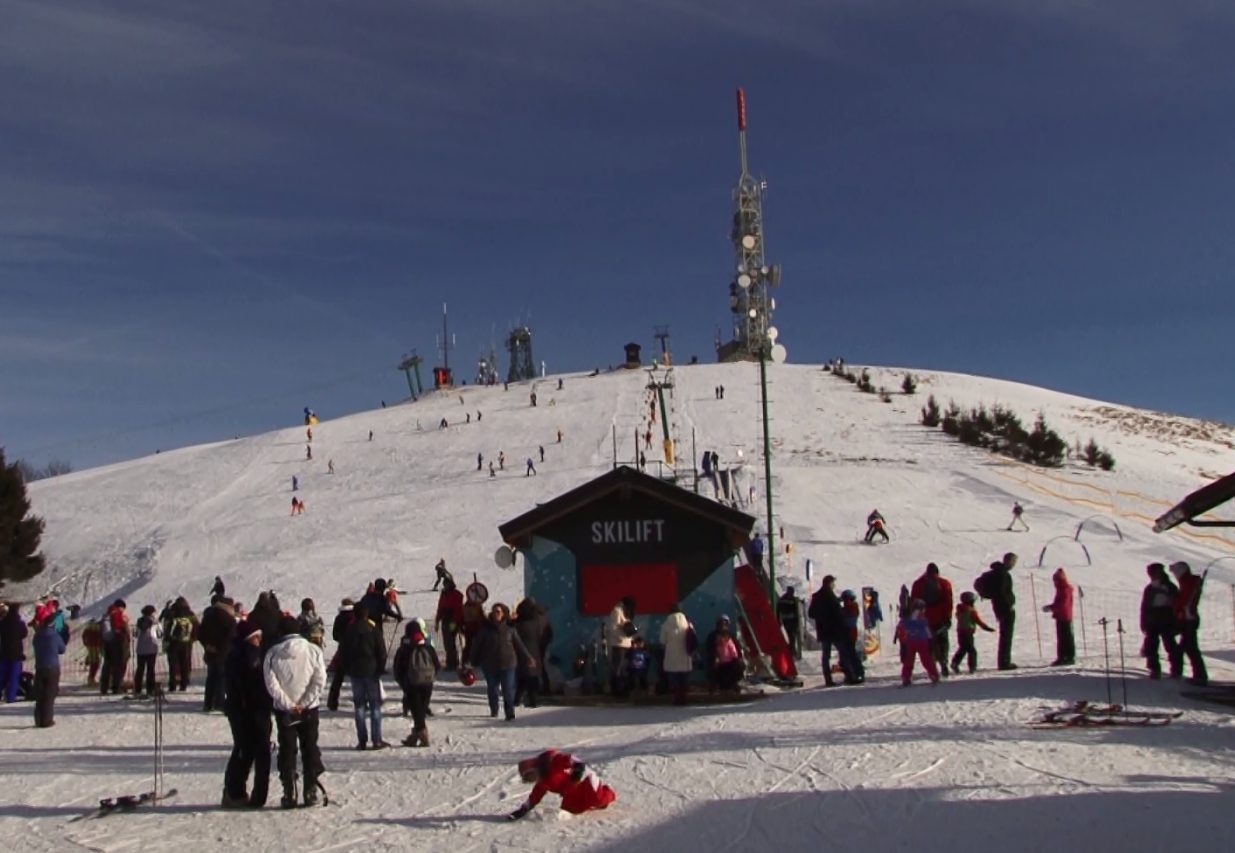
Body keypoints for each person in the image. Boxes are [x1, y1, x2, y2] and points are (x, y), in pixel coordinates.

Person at [263, 616, 327, 808]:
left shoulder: (273, 652)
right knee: (310, 747)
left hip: (284, 710)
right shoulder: (313, 650)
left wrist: (288, 704)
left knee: (287, 749)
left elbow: (271, 683)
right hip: (309, 708)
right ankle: (310, 790)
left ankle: (289, 791)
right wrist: (305, 702)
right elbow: (319, 680)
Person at [223, 619, 273, 808]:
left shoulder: (248, 653)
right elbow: (244, 683)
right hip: (245, 710)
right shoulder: (243, 655)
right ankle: (234, 791)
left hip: (249, 709)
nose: (259, 640)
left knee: (247, 750)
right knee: (244, 750)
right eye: (256, 637)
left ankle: (236, 790)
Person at [469, 602, 533, 721]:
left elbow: (519, 645)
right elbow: (476, 646)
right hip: (490, 665)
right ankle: (494, 709)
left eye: (498, 611)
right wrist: (472, 661)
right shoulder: (485, 630)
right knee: (493, 689)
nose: (495, 614)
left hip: (508, 664)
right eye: (494, 611)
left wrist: (528, 657)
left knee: (508, 690)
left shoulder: (510, 629)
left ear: (503, 614)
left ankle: (510, 713)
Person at [509, 750, 616, 820]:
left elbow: (568, 759)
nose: (532, 780)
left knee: (595, 799)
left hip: (584, 778)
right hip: (572, 789)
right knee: (571, 808)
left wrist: (577, 767)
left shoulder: (552, 763)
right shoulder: (542, 781)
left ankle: (608, 792)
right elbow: (535, 796)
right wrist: (523, 809)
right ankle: (593, 801)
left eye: (531, 775)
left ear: (534, 768)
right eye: (529, 779)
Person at [340, 603, 388, 749]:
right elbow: (381, 651)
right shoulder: (373, 629)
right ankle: (376, 739)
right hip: (372, 671)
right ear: (366, 614)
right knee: (375, 706)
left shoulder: (349, 631)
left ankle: (362, 740)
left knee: (359, 706)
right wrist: (380, 668)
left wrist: (347, 669)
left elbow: (343, 653)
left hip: (356, 672)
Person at [808, 576, 861, 686]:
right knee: (844, 653)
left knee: (826, 656)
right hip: (834, 630)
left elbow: (811, 613)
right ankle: (850, 676)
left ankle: (828, 680)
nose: (834, 585)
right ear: (829, 583)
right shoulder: (831, 597)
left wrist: (821, 618)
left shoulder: (817, 597)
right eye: (833, 583)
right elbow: (838, 614)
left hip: (823, 631)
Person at [910, 563, 954, 679]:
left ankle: (932, 665)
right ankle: (943, 660)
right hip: (940, 617)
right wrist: (948, 617)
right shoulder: (945, 583)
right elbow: (948, 602)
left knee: (928, 643)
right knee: (942, 640)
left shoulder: (918, 584)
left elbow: (914, 602)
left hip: (924, 619)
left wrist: (915, 619)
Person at [399, 624, 440, 747]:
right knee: (420, 711)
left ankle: (423, 736)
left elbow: (399, 669)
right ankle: (414, 737)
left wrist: (403, 683)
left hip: (412, 683)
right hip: (428, 682)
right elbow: (437, 665)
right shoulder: (429, 648)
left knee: (417, 712)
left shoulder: (405, 649)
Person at [1170, 561, 1208, 686]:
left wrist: (1178, 609)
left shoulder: (1188, 583)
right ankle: (1192, 674)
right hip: (1188, 618)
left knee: (1190, 648)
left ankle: (1200, 676)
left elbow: (1184, 600)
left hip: (1188, 619)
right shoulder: (1188, 582)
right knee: (1186, 647)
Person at [1139, 563, 1179, 680]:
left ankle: (1176, 669)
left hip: (1166, 619)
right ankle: (1154, 669)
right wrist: (1144, 622)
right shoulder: (1149, 588)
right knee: (1152, 644)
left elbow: (1176, 604)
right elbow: (1144, 607)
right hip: (1152, 619)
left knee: (1170, 645)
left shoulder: (1169, 587)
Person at [198, 595, 238, 709]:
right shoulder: (229, 619)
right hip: (224, 653)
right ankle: (219, 703)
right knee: (222, 677)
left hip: (210, 651)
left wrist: (207, 646)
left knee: (211, 677)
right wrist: (222, 649)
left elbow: (200, 634)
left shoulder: (208, 617)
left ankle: (208, 703)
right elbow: (231, 637)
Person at [513, 598, 549, 708]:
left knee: (523, 677)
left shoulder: (519, 622)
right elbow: (546, 634)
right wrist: (542, 646)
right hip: (536, 650)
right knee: (533, 677)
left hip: (522, 651)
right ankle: (533, 699)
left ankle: (519, 699)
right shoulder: (540, 619)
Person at [896, 599, 939, 686]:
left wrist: (902, 640)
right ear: (922, 608)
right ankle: (933, 675)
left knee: (908, 660)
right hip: (922, 641)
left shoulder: (907, 618)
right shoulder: (922, 617)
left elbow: (901, 629)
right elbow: (927, 630)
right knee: (926, 659)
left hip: (910, 642)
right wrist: (931, 639)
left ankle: (906, 677)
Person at [659, 604, 695, 706]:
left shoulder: (666, 625)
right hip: (685, 656)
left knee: (674, 680)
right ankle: (684, 698)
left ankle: (676, 699)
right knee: (684, 679)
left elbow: (662, 641)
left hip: (672, 656)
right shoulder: (688, 623)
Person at [951, 592, 995, 674]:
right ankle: (972, 667)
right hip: (968, 632)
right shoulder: (971, 611)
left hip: (960, 632)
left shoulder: (960, 610)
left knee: (963, 648)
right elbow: (978, 621)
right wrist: (986, 628)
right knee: (972, 651)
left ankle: (955, 663)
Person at [326, 598, 355, 711]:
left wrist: (342, 639)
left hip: (342, 650)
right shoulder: (355, 616)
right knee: (357, 678)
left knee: (338, 678)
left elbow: (335, 635)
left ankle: (332, 701)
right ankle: (362, 700)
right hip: (355, 650)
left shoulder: (339, 617)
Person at [989, 554, 1017, 670]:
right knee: (1006, 635)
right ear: (1008, 561)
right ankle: (1004, 662)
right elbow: (1002, 592)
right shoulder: (1003, 574)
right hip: (1005, 609)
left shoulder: (997, 572)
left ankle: (1004, 661)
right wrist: (1009, 604)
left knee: (1005, 635)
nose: (1014, 564)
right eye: (1013, 562)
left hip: (999, 607)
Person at [1043, 567, 1075, 665]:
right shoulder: (1063, 589)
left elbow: (1062, 605)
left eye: (1055, 580)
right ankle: (1065, 656)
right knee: (1064, 637)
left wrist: (1051, 608)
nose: (1054, 583)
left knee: (1065, 638)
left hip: (1064, 616)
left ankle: (1066, 657)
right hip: (1063, 615)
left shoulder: (1063, 589)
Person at [165, 597, 198, 691]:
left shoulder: (172, 613)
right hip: (186, 642)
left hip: (173, 643)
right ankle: (184, 683)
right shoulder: (190, 613)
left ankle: (172, 684)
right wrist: (193, 638)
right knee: (185, 663)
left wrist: (168, 639)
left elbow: (167, 626)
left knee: (173, 664)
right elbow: (196, 625)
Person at [704, 615, 743, 695]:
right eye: (720, 624)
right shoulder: (712, 636)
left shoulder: (730, 635)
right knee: (713, 668)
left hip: (730, 661)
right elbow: (709, 649)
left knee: (739, 666)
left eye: (724, 624)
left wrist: (738, 657)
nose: (722, 626)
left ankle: (733, 685)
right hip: (718, 661)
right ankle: (714, 687)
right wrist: (715, 657)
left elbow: (736, 648)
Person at [604, 596, 635, 695]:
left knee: (622, 667)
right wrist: (620, 637)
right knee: (618, 667)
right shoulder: (617, 611)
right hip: (619, 643)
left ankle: (621, 688)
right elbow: (613, 628)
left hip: (625, 643)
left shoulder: (625, 612)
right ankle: (616, 689)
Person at [99, 599, 131, 696]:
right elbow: (121, 627)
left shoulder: (107, 615)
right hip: (118, 643)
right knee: (118, 666)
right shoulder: (117, 614)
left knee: (107, 665)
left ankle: (104, 687)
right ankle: (116, 687)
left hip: (107, 643)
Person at [0, 602, 28, 703]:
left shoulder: (3, 622)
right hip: (16, 654)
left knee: (2, 676)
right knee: (13, 677)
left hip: (3, 652)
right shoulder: (20, 623)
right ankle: (10, 697)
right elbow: (24, 634)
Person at [434, 579, 465, 671]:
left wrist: (454, 621)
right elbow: (440, 607)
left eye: (447, 584)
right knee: (447, 643)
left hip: (454, 620)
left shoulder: (457, 594)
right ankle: (451, 662)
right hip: (445, 620)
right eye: (444, 584)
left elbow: (458, 609)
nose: (445, 586)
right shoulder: (444, 594)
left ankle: (455, 662)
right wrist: (437, 620)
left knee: (454, 642)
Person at [133, 605, 162, 697]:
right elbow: (160, 634)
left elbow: (135, 634)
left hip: (141, 649)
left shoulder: (139, 621)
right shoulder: (155, 622)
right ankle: (150, 689)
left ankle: (137, 688)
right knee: (150, 669)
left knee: (140, 669)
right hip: (152, 648)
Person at [777, 587, 803, 661]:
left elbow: (778, 611)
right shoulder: (792, 600)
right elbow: (796, 611)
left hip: (786, 621)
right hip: (791, 622)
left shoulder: (781, 599)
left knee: (790, 637)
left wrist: (778, 620)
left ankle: (792, 651)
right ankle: (791, 652)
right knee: (791, 637)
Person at [81, 617, 103, 686]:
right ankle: (91, 679)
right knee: (95, 662)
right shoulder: (98, 628)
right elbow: (100, 636)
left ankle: (91, 678)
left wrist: (86, 643)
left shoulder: (88, 628)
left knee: (94, 662)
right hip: (95, 646)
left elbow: (84, 635)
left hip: (91, 645)